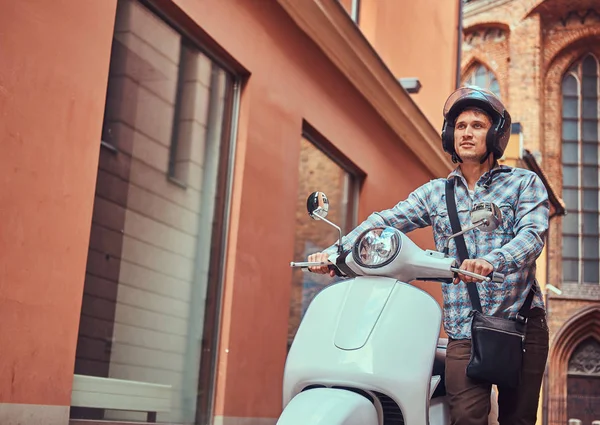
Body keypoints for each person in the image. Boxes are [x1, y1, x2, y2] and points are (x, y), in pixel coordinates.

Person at [308, 86, 550, 425]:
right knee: (465, 418)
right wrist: (335, 252)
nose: (467, 132)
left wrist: (492, 260)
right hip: (464, 330)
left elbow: (532, 235)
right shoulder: (436, 193)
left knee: (519, 421)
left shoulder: (524, 184)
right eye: (460, 125)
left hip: (521, 324)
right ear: (450, 135)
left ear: (495, 134)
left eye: (478, 125)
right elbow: (385, 221)